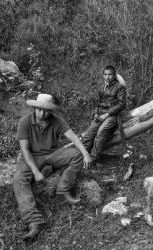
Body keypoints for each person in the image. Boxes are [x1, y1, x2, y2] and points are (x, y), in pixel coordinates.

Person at [12, 93, 93, 240]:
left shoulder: (56, 121)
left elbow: (73, 137)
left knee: (77, 155)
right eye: (39, 110)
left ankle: (63, 189)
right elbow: (24, 149)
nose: (42, 113)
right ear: (34, 108)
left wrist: (85, 153)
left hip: (52, 154)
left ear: (51, 111)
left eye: (46, 110)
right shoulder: (24, 122)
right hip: (32, 156)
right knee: (19, 179)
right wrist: (36, 172)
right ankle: (34, 220)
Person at [79, 65, 127, 163]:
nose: (107, 77)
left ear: (114, 75)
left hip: (113, 115)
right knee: (88, 134)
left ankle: (92, 160)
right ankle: (78, 157)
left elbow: (121, 104)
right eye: (105, 74)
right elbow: (97, 102)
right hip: (100, 114)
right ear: (103, 75)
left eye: (110, 74)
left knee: (100, 133)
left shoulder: (119, 87)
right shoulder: (101, 87)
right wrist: (96, 113)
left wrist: (107, 114)